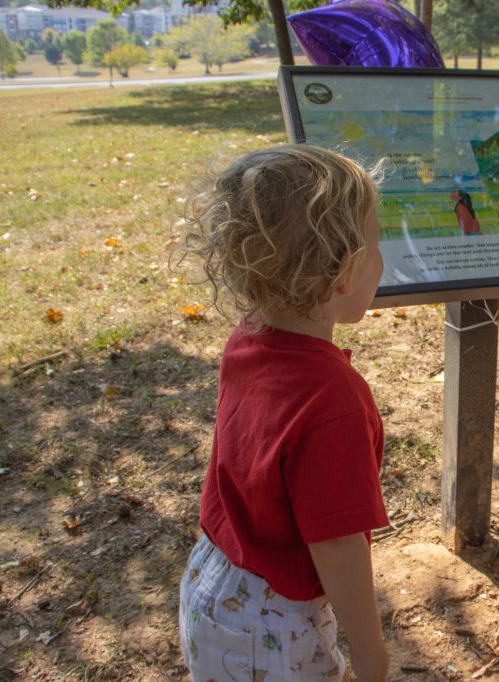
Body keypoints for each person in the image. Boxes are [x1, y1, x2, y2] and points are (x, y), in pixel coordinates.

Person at [178, 145, 389, 681]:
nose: (384, 260)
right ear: (344, 273)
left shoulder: (247, 337)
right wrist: (369, 652)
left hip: (213, 580)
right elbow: (338, 543)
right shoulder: (332, 399)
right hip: (269, 623)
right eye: (378, 243)